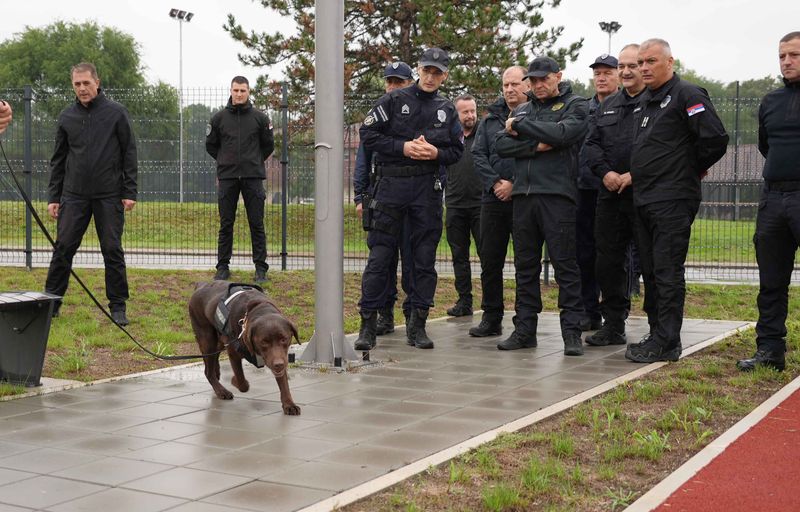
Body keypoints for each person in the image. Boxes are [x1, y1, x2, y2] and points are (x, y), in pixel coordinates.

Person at [625, 39, 728, 363]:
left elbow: (715, 139)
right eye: (641, 62)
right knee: (652, 271)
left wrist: (689, 169)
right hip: (644, 197)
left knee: (667, 270)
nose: (643, 68)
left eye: (650, 61)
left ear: (670, 62)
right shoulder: (646, 100)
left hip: (672, 198)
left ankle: (668, 341)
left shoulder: (688, 94)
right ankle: (657, 333)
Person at [355, 47, 463, 350]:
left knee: (423, 261)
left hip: (426, 192)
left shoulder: (447, 108)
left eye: (437, 72)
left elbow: (457, 150)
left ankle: (417, 325)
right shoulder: (392, 100)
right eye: (426, 70)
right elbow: (368, 134)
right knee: (379, 258)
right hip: (390, 188)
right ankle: (368, 325)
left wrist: (436, 153)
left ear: (445, 76)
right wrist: (403, 148)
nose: (430, 77)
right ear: (418, 69)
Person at [495, 56, 589, 356]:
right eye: (533, 80)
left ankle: (572, 333)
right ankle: (525, 330)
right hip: (523, 197)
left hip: (558, 198)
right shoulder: (524, 108)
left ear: (557, 76)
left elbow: (564, 135)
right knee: (525, 268)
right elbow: (501, 145)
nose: (538, 85)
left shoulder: (576, 105)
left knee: (565, 267)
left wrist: (521, 127)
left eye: (543, 79)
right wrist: (537, 144)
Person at [44, 63, 138, 326]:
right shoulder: (66, 117)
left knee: (112, 249)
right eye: (77, 84)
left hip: (109, 195)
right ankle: (51, 302)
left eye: (86, 83)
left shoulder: (117, 113)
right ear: (73, 85)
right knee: (63, 248)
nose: (82, 88)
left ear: (97, 82)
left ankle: (118, 307)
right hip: (73, 196)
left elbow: (129, 152)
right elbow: (58, 160)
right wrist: (54, 197)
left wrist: (129, 190)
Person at [738, 31, 800, 372]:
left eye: (794, 55)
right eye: (782, 56)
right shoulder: (770, 101)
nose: (787, 61)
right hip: (773, 198)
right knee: (771, 280)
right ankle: (769, 351)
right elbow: (767, 147)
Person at [584, 44, 646, 347]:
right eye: (621, 65)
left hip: (646, 193)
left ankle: (659, 329)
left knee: (651, 260)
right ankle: (614, 324)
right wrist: (606, 173)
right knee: (607, 262)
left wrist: (636, 174)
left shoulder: (657, 102)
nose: (626, 71)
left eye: (631, 65)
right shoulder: (608, 105)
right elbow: (591, 144)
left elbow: (665, 148)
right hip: (609, 194)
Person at [354, 61, 415, 337]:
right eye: (389, 81)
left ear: (409, 83)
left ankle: (413, 316)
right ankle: (384, 314)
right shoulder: (377, 116)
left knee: (414, 260)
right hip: (382, 198)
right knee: (382, 261)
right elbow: (363, 161)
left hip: (415, 200)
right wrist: (360, 196)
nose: (392, 87)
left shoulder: (419, 112)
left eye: (398, 82)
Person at [469, 65, 529, 337]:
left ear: (527, 85)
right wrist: (496, 183)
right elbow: (478, 154)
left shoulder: (535, 115)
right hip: (492, 200)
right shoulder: (490, 120)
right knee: (490, 260)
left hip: (524, 199)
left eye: (515, 84)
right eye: (505, 85)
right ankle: (491, 317)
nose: (509, 90)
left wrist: (514, 185)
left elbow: (535, 154)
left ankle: (524, 320)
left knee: (525, 263)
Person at [206, 76, 275, 283]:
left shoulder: (260, 119)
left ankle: (260, 268)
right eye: (235, 90)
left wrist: (253, 161)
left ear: (248, 92)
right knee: (226, 223)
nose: (238, 94)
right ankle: (222, 267)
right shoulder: (218, 119)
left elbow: (268, 145)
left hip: (253, 177)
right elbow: (211, 146)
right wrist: (225, 161)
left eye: (242, 91)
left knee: (257, 223)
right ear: (231, 90)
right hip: (227, 178)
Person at [576, 54, 620, 332]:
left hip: (612, 191)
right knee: (583, 254)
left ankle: (615, 314)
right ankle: (588, 311)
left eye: (607, 72)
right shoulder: (583, 108)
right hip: (583, 189)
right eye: (597, 73)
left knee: (612, 256)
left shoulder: (626, 106)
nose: (601, 78)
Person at [444, 94, 482, 317]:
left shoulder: (484, 134)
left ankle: (491, 304)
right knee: (459, 256)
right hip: (455, 205)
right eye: (465, 112)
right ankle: (464, 301)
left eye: (473, 111)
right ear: (456, 115)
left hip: (481, 206)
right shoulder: (450, 139)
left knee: (487, 255)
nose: (470, 115)